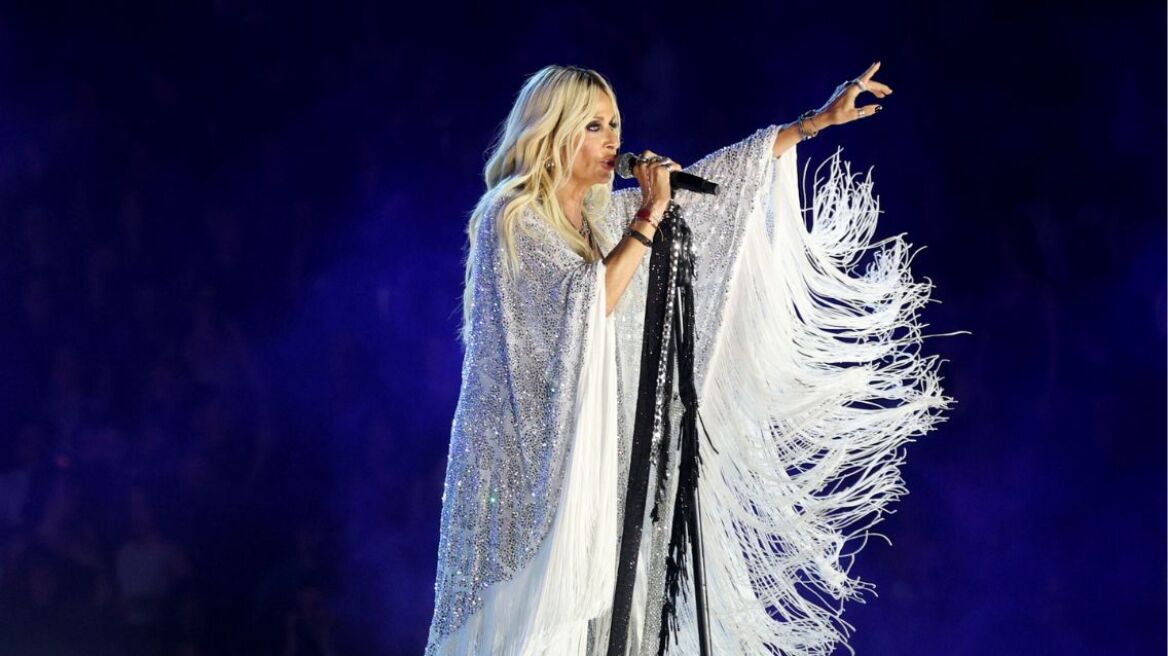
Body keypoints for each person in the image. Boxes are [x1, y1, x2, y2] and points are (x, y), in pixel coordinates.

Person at [425, 64, 953, 655]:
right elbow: (588, 302)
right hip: (521, 469)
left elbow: (718, 186)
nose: (613, 140)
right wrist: (649, 213)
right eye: (594, 126)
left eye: (615, 124)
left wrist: (814, 124)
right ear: (553, 132)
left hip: (589, 456)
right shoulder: (511, 215)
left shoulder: (600, 218)